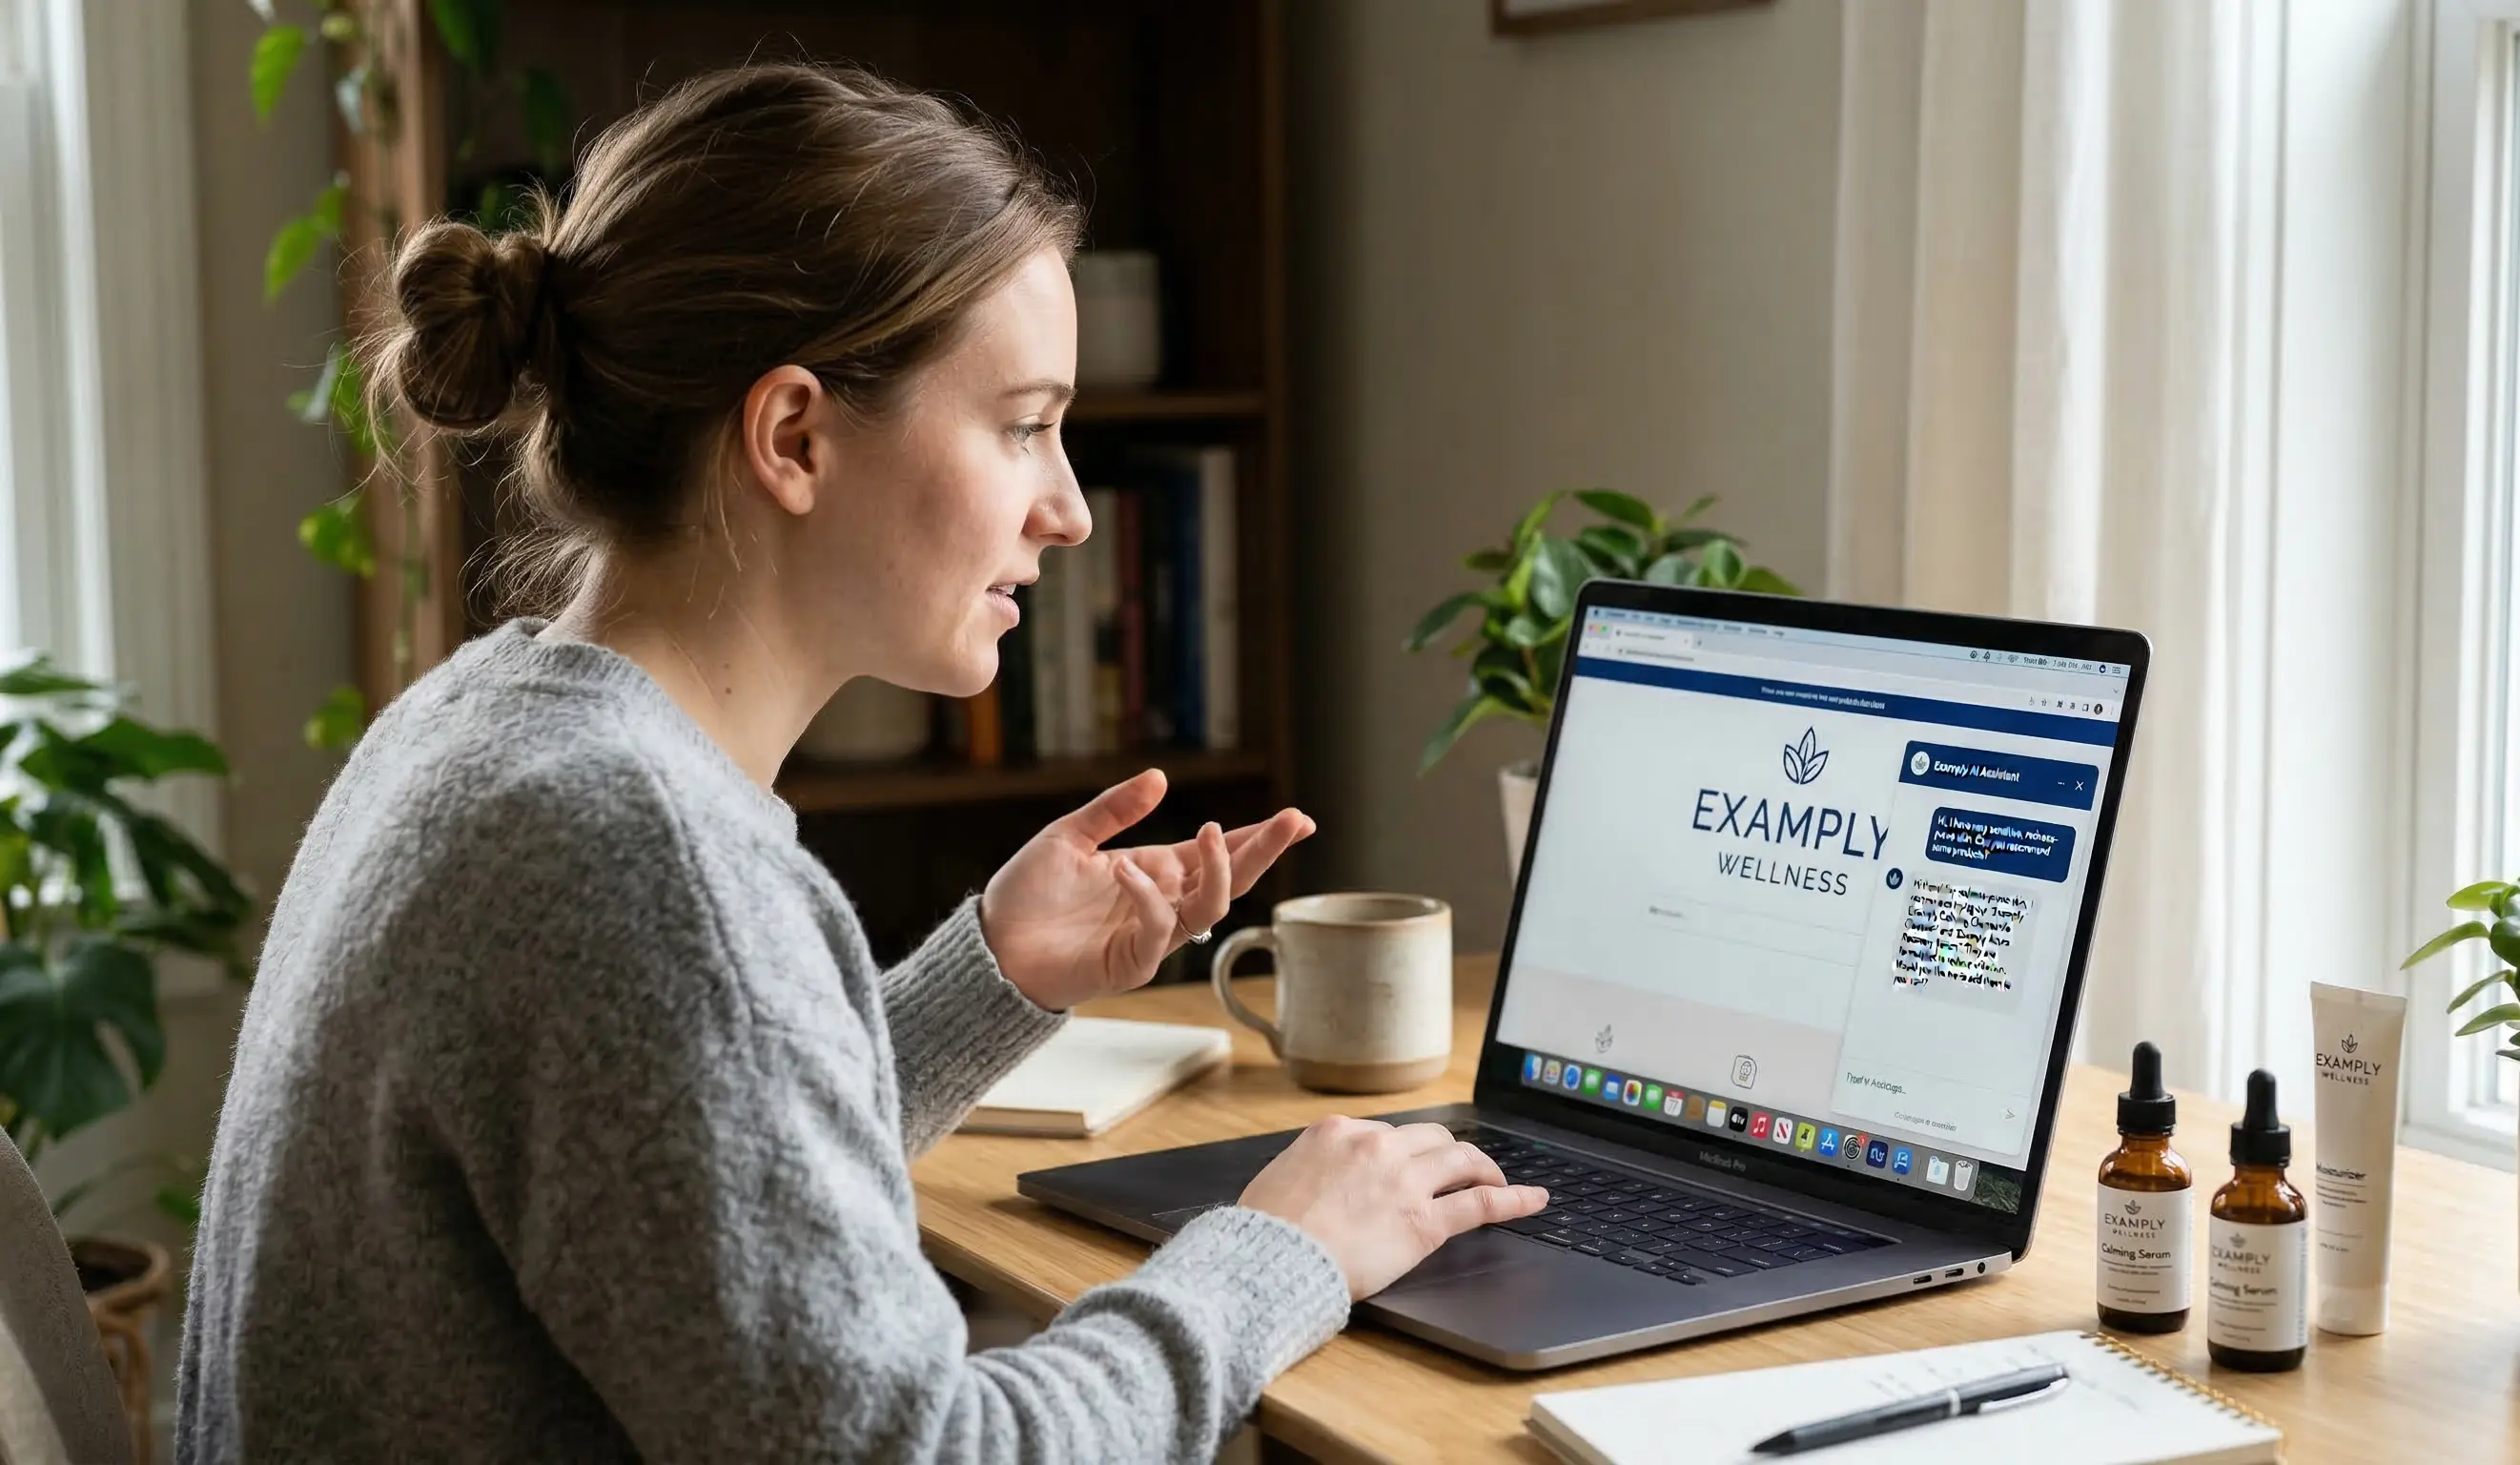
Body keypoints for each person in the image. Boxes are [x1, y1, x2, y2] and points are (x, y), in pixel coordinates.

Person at [174, 61, 1547, 1463]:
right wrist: (1277, 1248)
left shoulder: (483, 726)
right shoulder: (634, 857)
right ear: (794, 437)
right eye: (1023, 424)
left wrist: (986, 978)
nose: (1068, 509)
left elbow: (679, 1189)